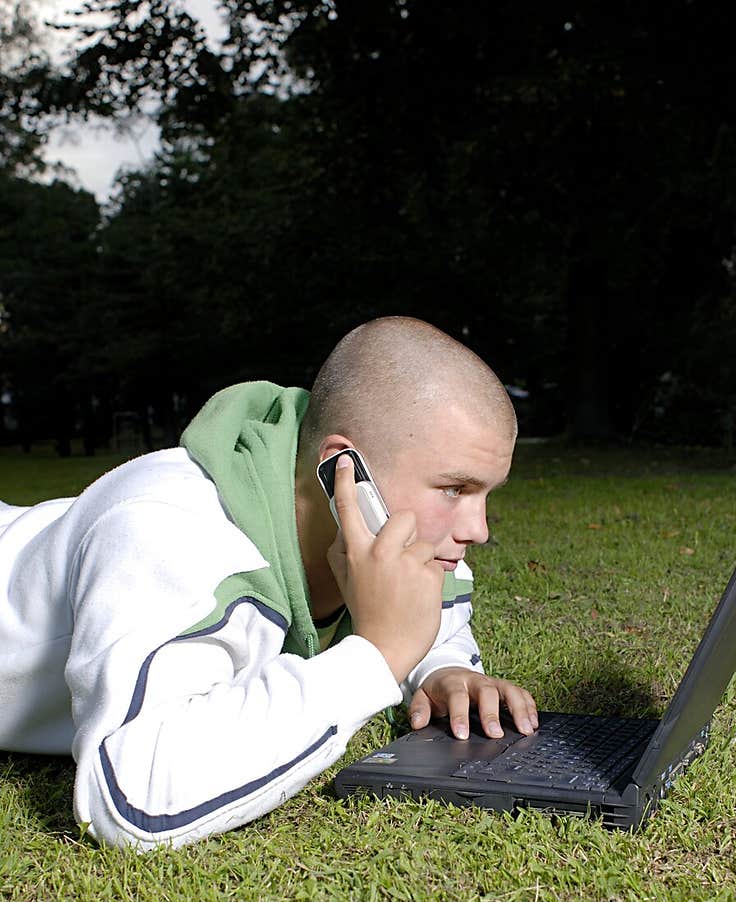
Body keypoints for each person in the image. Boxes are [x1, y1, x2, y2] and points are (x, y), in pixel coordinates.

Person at [0, 316, 538, 850]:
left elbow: (438, 620)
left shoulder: (410, 542)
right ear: (344, 472)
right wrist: (375, 657)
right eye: (454, 489)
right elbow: (128, 796)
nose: (478, 530)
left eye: (485, 493)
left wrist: (442, 668)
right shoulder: (166, 535)